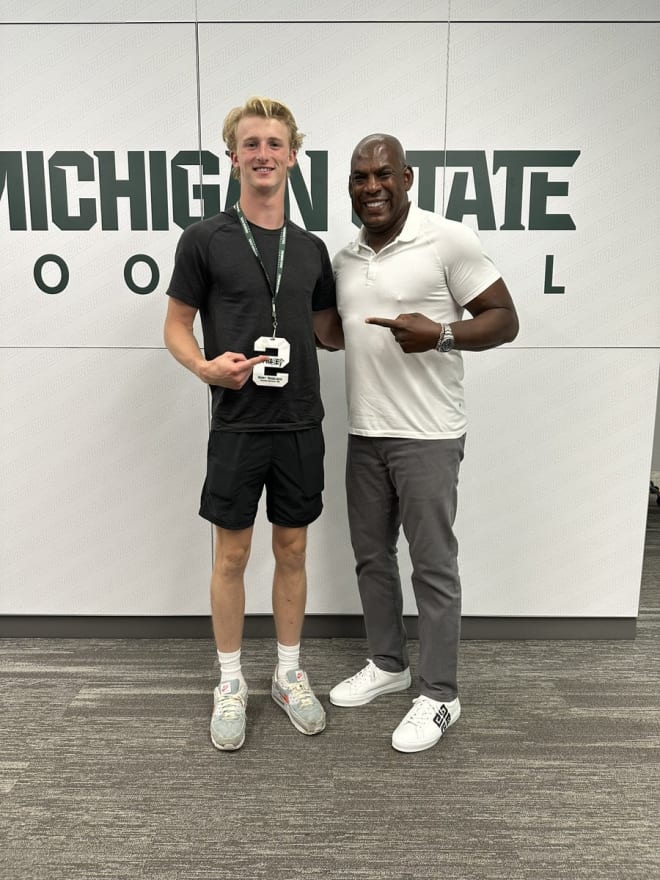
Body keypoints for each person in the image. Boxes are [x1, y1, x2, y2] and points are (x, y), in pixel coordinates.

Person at [330, 134, 519, 753]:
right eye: (361, 178)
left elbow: (504, 318)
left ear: (407, 177)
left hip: (429, 435)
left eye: (384, 174)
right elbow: (338, 332)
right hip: (366, 431)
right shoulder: (346, 257)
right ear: (351, 186)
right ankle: (389, 665)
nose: (372, 187)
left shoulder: (447, 240)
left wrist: (440, 333)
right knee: (371, 556)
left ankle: (441, 694)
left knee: (433, 566)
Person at [164, 96, 342, 751]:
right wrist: (206, 370)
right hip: (237, 426)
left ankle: (289, 674)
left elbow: (328, 331)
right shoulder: (205, 239)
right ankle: (231, 681)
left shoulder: (314, 248)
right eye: (251, 143)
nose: (263, 154)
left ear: (293, 155)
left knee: (292, 550)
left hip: (299, 424)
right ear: (233, 155)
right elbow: (176, 325)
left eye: (274, 143)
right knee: (233, 554)